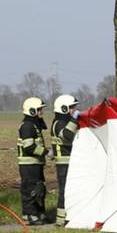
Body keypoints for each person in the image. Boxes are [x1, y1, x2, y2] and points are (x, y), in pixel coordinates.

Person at [16, 97, 48, 225]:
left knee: (39, 189)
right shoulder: (27, 126)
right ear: (32, 111)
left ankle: (38, 214)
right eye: (40, 110)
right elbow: (29, 147)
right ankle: (29, 216)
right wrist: (47, 152)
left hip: (35, 163)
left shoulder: (34, 125)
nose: (42, 112)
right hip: (28, 165)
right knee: (30, 190)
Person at [50, 94, 79, 226]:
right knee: (65, 191)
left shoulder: (61, 122)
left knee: (70, 190)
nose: (74, 110)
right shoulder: (60, 123)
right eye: (72, 108)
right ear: (64, 108)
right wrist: (74, 120)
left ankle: (67, 217)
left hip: (68, 162)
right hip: (64, 163)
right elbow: (67, 136)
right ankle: (61, 219)